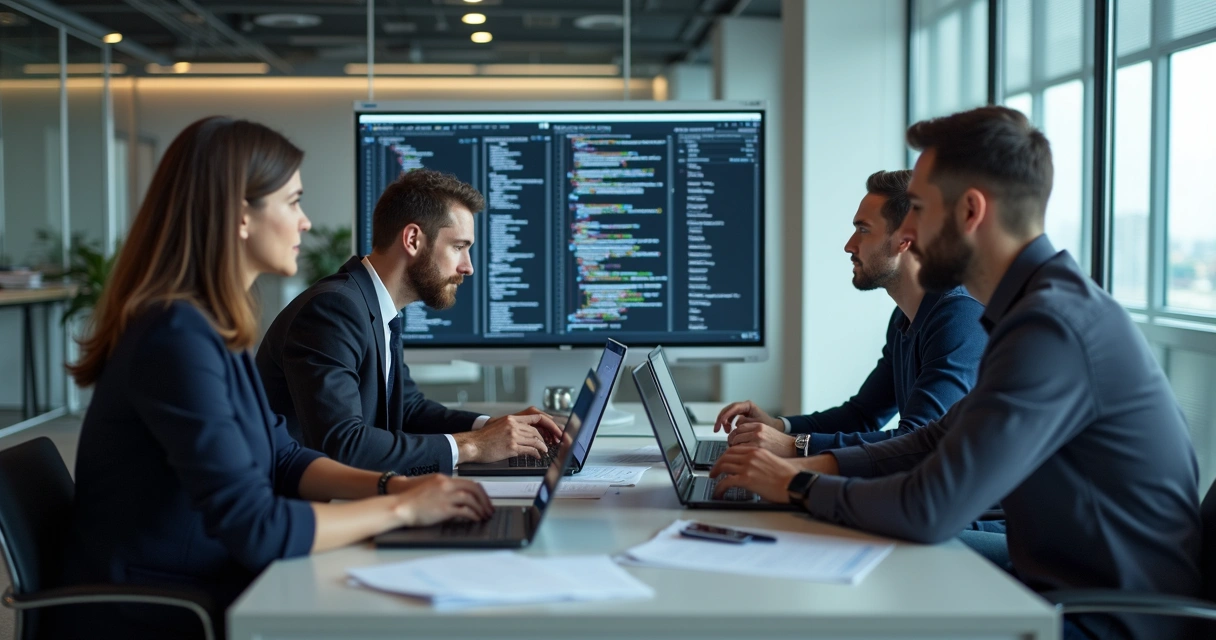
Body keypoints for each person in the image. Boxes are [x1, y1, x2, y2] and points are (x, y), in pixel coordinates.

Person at [709, 106, 1202, 640]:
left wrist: (799, 484)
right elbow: (933, 440)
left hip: (1106, 619)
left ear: (970, 211)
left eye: (918, 207)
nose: (909, 231)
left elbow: (930, 508)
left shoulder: (1051, 328)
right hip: (1059, 584)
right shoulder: (1029, 311)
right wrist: (811, 466)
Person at [55, 117, 493, 639]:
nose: (305, 222)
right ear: (241, 215)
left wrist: (396, 486)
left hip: (209, 574)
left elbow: (283, 456)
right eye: (293, 201)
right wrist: (399, 507)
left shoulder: (209, 326)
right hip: (161, 604)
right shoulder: (173, 337)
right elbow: (256, 526)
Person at [256, 169, 562, 476]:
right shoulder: (333, 310)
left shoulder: (372, 305)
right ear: (413, 239)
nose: (468, 267)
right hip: (300, 511)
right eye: (458, 247)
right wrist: (474, 446)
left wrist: (494, 427)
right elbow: (344, 446)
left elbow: (407, 410)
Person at [714, 170, 986, 460]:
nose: (849, 245)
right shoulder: (903, 320)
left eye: (863, 229)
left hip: (979, 505)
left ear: (906, 238)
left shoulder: (960, 317)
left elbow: (917, 442)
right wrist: (779, 426)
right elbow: (862, 415)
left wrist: (795, 446)